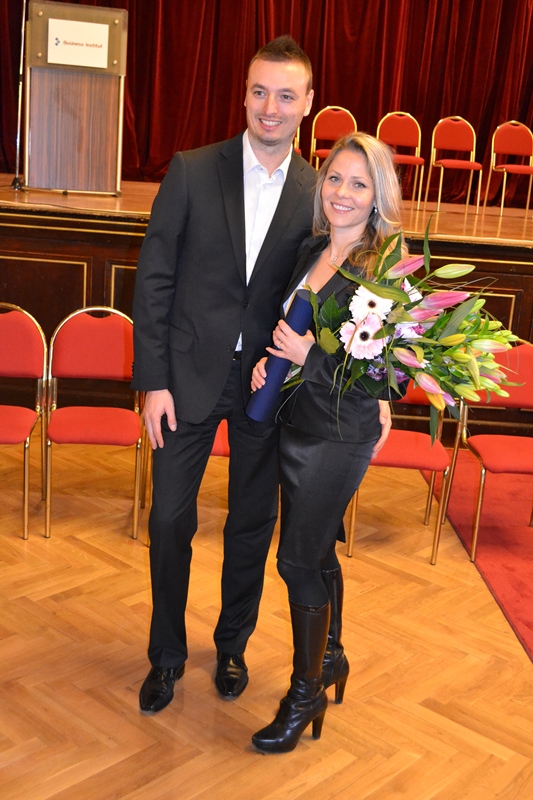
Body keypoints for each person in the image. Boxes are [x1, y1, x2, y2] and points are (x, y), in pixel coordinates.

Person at [131, 36, 316, 715]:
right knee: (169, 520)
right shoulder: (190, 169)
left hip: (266, 385)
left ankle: (231, 644)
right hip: (183, 379)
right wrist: (152, 381)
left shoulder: (317, 191)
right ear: (243, 94)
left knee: (251, 524)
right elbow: (154, 279)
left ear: (306, 103)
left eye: (286, 95)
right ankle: (165, 656)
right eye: (260, 91)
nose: (271, 107)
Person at [250, 132, 405, 753]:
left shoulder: (383, 273)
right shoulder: (313, 248)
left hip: (338, 437)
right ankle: (331, 656)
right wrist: (270, 365)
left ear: (377, 198)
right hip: (296, 424)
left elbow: (385, 376)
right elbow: (288, 328)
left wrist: (307, 357)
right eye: (335, 178)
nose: (342, 192)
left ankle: (304, 692)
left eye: (358, 184)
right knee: (314, 554)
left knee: (295, 562)